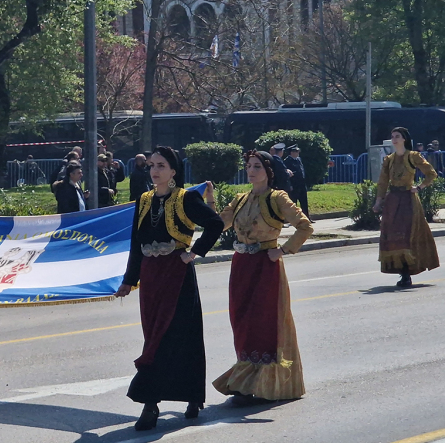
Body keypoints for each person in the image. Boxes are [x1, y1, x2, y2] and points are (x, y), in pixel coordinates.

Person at [114, 146, 223, 430]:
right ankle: (162, 399)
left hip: (177, 275)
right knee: (153, 335)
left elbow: (215, 223)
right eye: (152, 165)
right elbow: (136, 243)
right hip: (151, 276)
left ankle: (156, 403)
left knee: (178, 336)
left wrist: (194, 251)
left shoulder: (186, 198)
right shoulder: (144, 200)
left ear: (173, 171)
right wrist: (129, 279)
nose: (155, 170)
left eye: (161, 165)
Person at [212, 149, 312, 404]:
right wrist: (209, 201)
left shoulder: (277, 198)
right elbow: (216, 224)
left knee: (265, 321)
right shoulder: (240, 199)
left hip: (266, 266)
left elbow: (304, 226)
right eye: (249, 166)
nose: (251, 170)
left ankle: (265, 383)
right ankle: (246, 378)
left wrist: (282, 250)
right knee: (241, 319)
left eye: (257, 166)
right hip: (241, 264)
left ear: (268, 171)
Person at [373, 127, 440, 287]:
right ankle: (402, 272)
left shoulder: (413, 156)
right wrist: (378, 201)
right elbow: (383, 182)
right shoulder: (388, 159)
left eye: (397, 136)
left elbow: (431, 173)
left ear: (404, 139)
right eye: (392, 136)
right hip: (393, 201)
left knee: (407, 236)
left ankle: (407, 273)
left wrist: (420, 187)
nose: (394, 139)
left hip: (408, 200)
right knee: (392, 237)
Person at [283, 145, 309, 216]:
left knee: (304, 202)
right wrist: (290, 185)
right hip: (294, 185)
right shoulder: (287, 161)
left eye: (298, 151)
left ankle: (306, 217)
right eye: (296, 151)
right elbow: (286, 175)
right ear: (292, 152)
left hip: (302, 184)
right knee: (294, 203)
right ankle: (294, 218)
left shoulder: (298, 159)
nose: (298, 153)